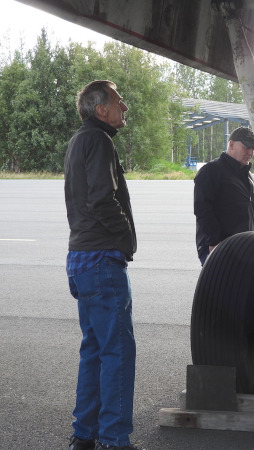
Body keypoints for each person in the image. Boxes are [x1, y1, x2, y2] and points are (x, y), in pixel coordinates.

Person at [64, 80, 143, 450]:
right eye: (119, 101)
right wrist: (125, 238)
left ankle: (85, 435)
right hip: (100, 260)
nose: (125, 107)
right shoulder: (98, 141)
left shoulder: (80, 140)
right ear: (102, 110)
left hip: (81, 259)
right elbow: (102, 198)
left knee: (94, 349)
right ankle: (114, 440)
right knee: (117, 352)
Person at [194, 126, 254, 264]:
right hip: (218, 248)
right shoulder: (211, 171)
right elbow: (202, 210)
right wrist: (214, 242)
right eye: (246, 147)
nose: (251, 152)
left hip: (242, 247)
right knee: (220, 285)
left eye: (253, 148)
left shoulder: (248, 177)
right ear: (231, 144)